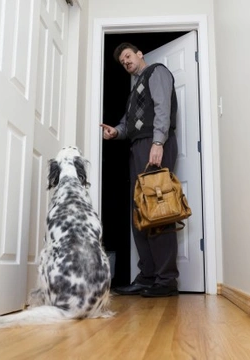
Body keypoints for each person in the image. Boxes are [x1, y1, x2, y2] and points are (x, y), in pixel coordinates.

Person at [100, 42, 179, 297]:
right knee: (140, 213)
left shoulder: (157, 72)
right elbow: (127, 123)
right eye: (122, 62)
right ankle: (147, 276)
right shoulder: (134, 90)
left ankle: (166, 280)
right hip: (137, 147)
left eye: (127, 56)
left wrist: (158, 142)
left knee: (158, 211)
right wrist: (116, 132)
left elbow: (162, 110)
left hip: (154, 145)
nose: (126, 62)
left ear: (139, 54)